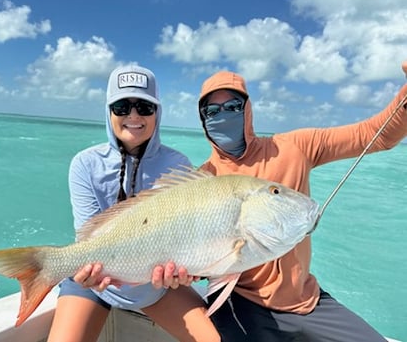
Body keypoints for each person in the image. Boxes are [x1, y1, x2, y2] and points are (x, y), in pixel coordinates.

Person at [195, 61, 407, 341]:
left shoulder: (293, 147)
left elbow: (372, 136)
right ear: (203, 120)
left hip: (306, 301)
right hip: (239, 302)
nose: (223, 116)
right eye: (212, 111)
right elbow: (195, 251)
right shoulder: (201, 180)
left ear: (247, 110)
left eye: (233, 106)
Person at [47, 65, 220, 342]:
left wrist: (189, 272)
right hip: (95, 286)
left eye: (144, 107)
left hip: (157, 289)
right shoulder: (84, 164)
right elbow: (88, 238)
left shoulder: (178, 165)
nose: (134, 116)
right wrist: (83, 272)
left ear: (157, 113)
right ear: (109, 111)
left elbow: (189, 238)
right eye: (122, 107)